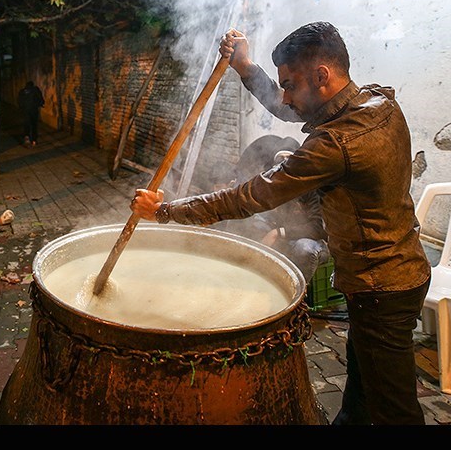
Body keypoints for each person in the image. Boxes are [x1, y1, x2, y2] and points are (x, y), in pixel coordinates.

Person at [131, 22, 431, 425]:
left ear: (321, 76)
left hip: (381, 288)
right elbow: (286, 107)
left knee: (395, 411)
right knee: (363, 393)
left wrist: (163, 212)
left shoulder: (335, 144)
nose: (285, 97)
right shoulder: (377, 101)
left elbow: (249, 196)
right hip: (397, 273)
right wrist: (244, 67)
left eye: (289, 84)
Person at [211, 134, 330, 283]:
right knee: (251, 225)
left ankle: (299, 295)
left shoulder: (312, 187)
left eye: (290, 159)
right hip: (285, 236)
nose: (286, 164)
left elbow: (319, 227)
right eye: (281, 160)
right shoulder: (275, 186)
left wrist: (278, 232)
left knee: (303, 248)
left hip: (313, 242)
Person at [18, 80, 45, 147]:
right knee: (34, 125)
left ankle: (27, 137)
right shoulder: (35, 90)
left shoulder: (22, 91)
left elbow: (19, 101)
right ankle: (34, 140)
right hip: (34, 110)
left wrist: (22, 108)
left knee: (26, 123)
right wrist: (40, 104)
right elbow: (41, 99)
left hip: (25, 111)